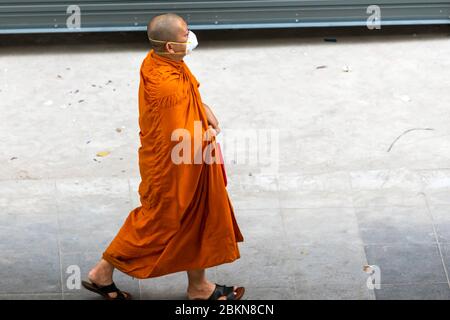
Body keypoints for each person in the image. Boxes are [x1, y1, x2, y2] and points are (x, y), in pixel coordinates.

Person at [81, 13, 244, 300]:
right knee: (159, 221)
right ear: (169, 46)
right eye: (184, 34)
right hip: (173, 167)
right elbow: (179, 137)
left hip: (189, 162)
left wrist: (202, 106)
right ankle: (102, 272)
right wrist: (207, 135)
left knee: (198, 217)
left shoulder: (156, 61)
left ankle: (199, 287)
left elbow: (187, 96)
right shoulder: (167, 86)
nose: (190, 36)